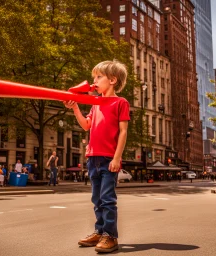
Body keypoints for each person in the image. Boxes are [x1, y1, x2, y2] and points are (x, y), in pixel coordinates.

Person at [64, 60, 130, 253]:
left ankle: (110, 236)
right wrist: (75, 107)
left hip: (109, 158)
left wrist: (117, 158)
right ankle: (100, 231)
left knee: (107, 198)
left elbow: (123, 132)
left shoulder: (121, 102)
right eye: (94, 77)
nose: (94, 81)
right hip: (92, 157)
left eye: (98, 77)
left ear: (112, 80)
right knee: (96, 199)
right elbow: (86, 125)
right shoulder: (95, 104)